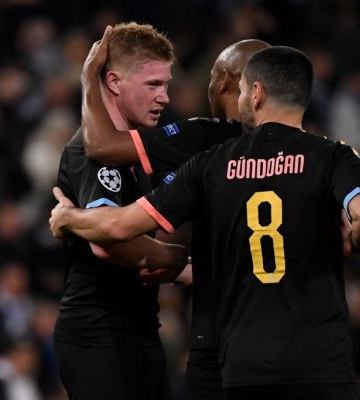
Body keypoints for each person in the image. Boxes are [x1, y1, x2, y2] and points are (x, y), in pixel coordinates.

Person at [50, 45, 360, 399]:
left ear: (253, 92)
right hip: (321, 358)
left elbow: (116, 223)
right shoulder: (330, 155)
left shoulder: (211, 155)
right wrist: (354, 241)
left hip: (234, 353)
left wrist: (70, 216)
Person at [79, 26, 269, 399]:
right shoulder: (312, 152)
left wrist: (88, 78)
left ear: (224, 80)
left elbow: (100, 145)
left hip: (223, 336)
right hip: (296, 337)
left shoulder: (206, 140)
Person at [53, 23, 188, 400]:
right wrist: (173, 258)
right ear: (113, 82)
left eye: (166, 85)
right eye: (152, 85)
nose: (164, 97)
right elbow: (107, 243)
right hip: (100, 335)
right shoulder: (92, 154)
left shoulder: (131, 149)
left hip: (136, 330)